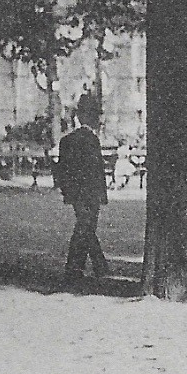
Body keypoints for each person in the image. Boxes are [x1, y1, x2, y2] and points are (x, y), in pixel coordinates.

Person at [56, 105, 109, 285]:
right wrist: (103, 194)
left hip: (75, 192)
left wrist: (66, 191)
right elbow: (97, 169)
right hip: (90, 191)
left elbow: (61, 170)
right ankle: (74, 268)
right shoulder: (92, 139)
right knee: (86, 227)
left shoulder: (66, 141)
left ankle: (99, 265)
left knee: (85, 226)